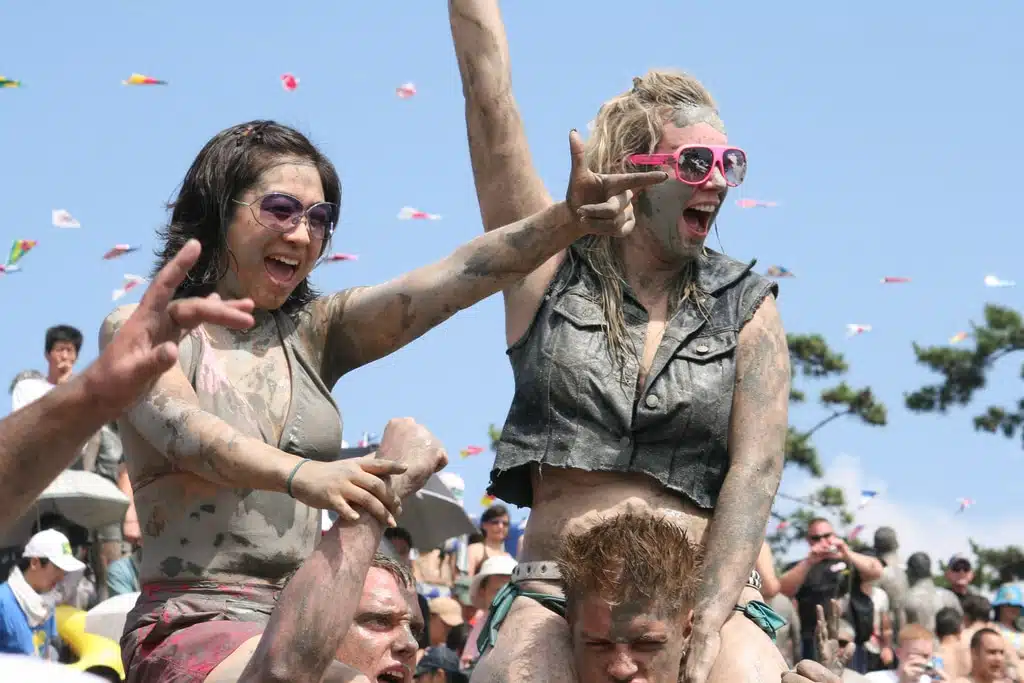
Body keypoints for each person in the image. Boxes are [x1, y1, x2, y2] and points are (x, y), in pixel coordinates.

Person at [101, 119, 661, 682]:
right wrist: (308, 477)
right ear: (219, 211)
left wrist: (565, 220)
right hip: (197, 617)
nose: (302, 234)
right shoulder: (145, 328)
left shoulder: (315, 332)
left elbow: (458, 275)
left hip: (308, 616)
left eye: (319, 219)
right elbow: (190, 436)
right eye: (280, 209)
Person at [448, 3, 790, 682]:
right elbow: (489, 96)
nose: (717, 181)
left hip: (704, 592)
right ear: (635, 168)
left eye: (729, 163)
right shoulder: (547, 265)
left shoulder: (750, 307)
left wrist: (712, 619)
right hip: (556, 593)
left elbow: (755, 473)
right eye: (696, 162)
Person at [0, 239, 256, 534]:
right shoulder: (30, 387)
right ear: (47, 353)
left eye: (71, 351)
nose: (66, 357)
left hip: (85, 498)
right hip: (32, 503)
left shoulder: (107, 399)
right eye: (60, 350)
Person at [780, 518, 883, 661]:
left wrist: (847, 554)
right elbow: (782, 590)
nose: (822, 541)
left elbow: (876, 571)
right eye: (816, 538)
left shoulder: (849, 559)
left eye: (827, 536)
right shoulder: (801, 566)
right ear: (808, 540)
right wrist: (809, 562)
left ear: (834, 535)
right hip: (814, 639)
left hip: (851, 640)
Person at [0, 529, 85, 658]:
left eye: (64, 570)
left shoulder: (45, 602)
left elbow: (46, 650)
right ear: (34, 563)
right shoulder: (3, 601)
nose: (61, 577)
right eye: (57, 568)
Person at [865, 624, 949, 683]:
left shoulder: (930, 681)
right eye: (915, 654)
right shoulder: (874, 679)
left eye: (926, 656)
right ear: (898, 653)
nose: (921, 661)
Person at [904, 553, 962, 633]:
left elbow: (900, 635)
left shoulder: (906, 600)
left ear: (909, 572)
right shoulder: (950, 597)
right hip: (948, 644)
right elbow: (961, 629)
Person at [466, 505, 512, 577]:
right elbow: (466, 581)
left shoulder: (508, 557)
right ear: (484, 525)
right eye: (495, 522)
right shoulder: (475, 549)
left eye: (505, 524)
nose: (501, 526)